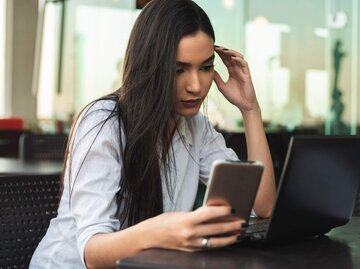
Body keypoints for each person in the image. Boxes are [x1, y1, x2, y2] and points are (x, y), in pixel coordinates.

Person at [30, 0, 276, 268]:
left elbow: (263, 207)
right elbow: (92, 253)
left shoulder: (196, 127)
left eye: (206, 67)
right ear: (151, 66)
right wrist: (162, 231)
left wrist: (250, 109)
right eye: (178, 69)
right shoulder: (103, 123)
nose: (195, 86)